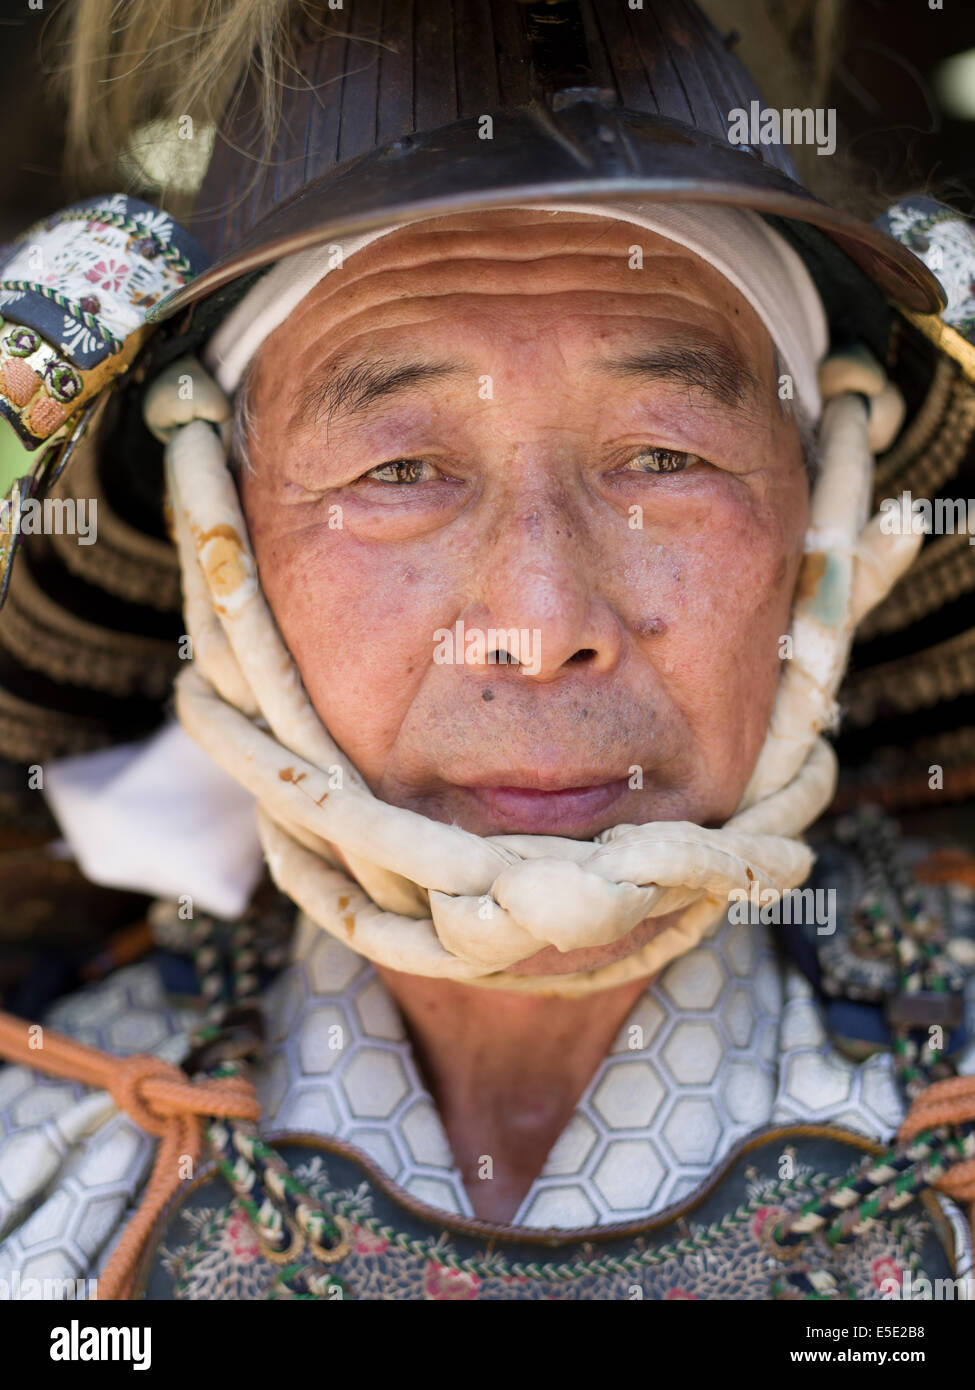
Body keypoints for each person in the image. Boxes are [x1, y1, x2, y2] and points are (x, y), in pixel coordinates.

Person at [0, 0, 973, 1302]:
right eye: (400, 469)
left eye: (663, 457)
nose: (541, 619)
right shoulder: (46, 1157)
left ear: (822, 518)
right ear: (214, 536)